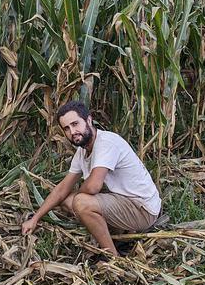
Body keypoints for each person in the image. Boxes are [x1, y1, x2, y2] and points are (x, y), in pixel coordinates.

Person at [21, 101, 162, 257]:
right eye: (67, 128)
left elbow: (94, 187)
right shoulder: (82, 152)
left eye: (75, 124)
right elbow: (62, 188)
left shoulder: (106, 143)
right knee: (68, 201)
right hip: (124, 202)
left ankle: (112, 257)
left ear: (88, 120)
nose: (72, 131)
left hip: (142, 209)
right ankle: (119, 232)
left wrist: (80, 197)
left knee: (80, 202)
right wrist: (35, 219)